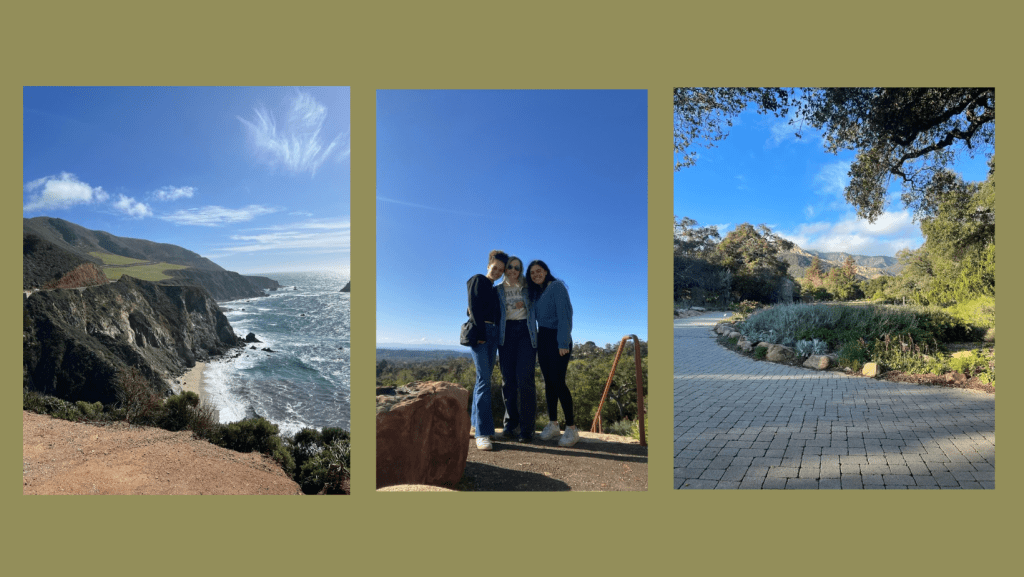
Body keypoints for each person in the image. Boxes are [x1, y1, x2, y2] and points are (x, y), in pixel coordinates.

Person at [526, 260, 578, 447]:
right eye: (532, 273)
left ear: (546, 271)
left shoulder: (556, 286)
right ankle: (553, 424)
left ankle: (571, 428)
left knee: (558, 382)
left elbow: (565, 314)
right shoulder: (536, 294)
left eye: (539, 271)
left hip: (558, 339)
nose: (536, 275)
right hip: (543, 340)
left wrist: (563, 341)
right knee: (549, 383)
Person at [466, 250, 508, 451]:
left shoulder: (493, 289)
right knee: (484, 381)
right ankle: (482, 434)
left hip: (493, 334)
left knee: (482, 380)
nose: (498, 272)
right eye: (495, 268)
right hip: (482, 334)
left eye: (501, 270)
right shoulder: (478, 280)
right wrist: (481, 334)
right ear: (488, 266)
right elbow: (473, 308)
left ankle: (476, 426)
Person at [496, 256, 538, 443]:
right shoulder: (497, 290)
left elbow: (541, 301)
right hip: (506, 334)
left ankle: (527, 429)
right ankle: (510, 424)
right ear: (505, 269)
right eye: (510, 267)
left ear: (521, 271)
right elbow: (481, 304)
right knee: (508, 381)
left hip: (526, 333)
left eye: (517, 268)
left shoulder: (527, 289)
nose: (513, 270)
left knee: (525, 380)